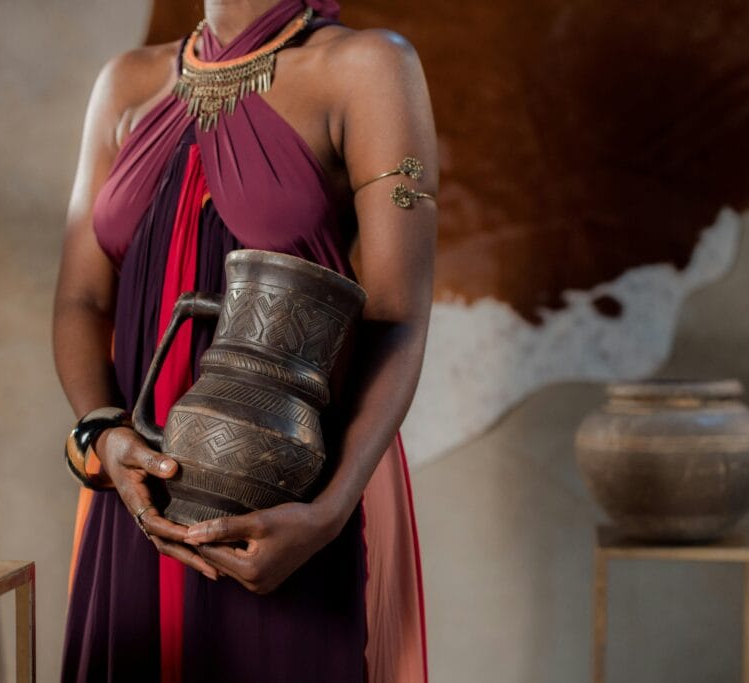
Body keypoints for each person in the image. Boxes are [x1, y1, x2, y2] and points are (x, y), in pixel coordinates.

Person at [51, 0, 437, 680]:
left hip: (291, 497)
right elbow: (81, 300)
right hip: (136, 492)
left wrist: (327, 513)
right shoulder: (125, 83)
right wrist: (103, 435)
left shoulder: (368, 67)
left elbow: (397, 316)